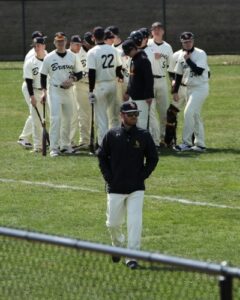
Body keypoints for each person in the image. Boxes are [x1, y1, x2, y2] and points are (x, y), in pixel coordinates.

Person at [98, 101, 159, 269]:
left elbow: (153, 158)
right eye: (131, 114)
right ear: (122, 116)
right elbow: (102, 156)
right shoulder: (111, 135)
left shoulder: (144, 135)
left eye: (136, 114)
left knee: (134, 223)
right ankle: (117, 245)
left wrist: (143, 175)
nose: (134, 117)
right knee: (112, 224)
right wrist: (108, 176)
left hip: (136, 189)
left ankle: (132, 257)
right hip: (115, 187)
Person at [40, 32, 82, 157]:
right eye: (58, 41)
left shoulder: (72, 56)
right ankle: (54, 147)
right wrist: (44, 92)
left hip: (68, 91)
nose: (60, 43)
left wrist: (72, 79)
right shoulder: (49, 57)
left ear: (66, 42)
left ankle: (65, 145)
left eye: (62, 41)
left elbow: (79, 73)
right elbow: (42, 75)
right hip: (55, 91)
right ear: (54, 42)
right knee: (55, 119)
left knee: (68, 119)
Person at [172, 32, 209, 152]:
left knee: (188, 112)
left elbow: (198, 71)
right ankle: (200, 144)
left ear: (193, 41)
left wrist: (188, 61)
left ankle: (186, 143)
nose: (188, 44)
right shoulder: (180, 55)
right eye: (185, 42)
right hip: (189, 88)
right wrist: (175, 91)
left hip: (200, 87)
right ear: (181, 42)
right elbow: (178, 75)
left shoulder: (200, 53)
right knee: (195, 115)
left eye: (190, 41)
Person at [86, 26, 123, 146]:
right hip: (113, 84)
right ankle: (116, 142)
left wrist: (90, 90)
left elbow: (92, 73)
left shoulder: (92, 52)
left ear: (93, 37)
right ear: (104, 36)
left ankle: (103, 145)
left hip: (99, 86)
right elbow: (119, 68)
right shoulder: (113, 50)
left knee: (102, 118)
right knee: (114, 116)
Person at [18, 30, 47, 149]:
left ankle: (32, 138)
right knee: (35, 112)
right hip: (30, 86)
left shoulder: (45, 52)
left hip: (41, 87)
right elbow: (30, 76)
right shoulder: (31, 55)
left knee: (40, 113)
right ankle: (24, 138)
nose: (40, 44)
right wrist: (32, 95)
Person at [148, 22, 173, 145]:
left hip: (162, 79)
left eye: (159, 29)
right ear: (151, 31)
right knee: (150, 111)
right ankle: (153, 137)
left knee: (164, 110)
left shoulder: (167, 47)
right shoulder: (147, 44)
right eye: (154, 29)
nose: (157, 31)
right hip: (149, 80)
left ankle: (164, 137)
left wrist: (172, 81)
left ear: (163, 31)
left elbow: (171, 66)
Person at [122, 39, 154, 131]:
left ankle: (143, 143)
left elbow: (149, 79)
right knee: (134, 121)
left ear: (133, 49)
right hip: (134, 96)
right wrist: (128, 91)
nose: (127, 54)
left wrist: (149, 95)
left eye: (128, 52)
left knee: (142, 121)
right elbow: (132, 78)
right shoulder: (134, 59)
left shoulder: (143, 60)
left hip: (142, 97)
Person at [75, 32, 95, 150]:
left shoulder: (96, 51)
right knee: (83, 114)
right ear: (83, 42)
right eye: (89, 43)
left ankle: (97, 139)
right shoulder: (77, 53)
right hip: (81, 85)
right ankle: (84, 141)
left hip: (95, 86)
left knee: (96, 115)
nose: (92, 45)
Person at [67, 35, 83, 147]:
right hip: (66, 89)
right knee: (71, 116)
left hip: (74, 87)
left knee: (74, 116)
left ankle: (70, 140)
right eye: (76, 44)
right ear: (71, 44)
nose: (78, 47)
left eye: (80, 45)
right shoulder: (68, 55)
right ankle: (67, 141)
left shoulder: (76, 55)